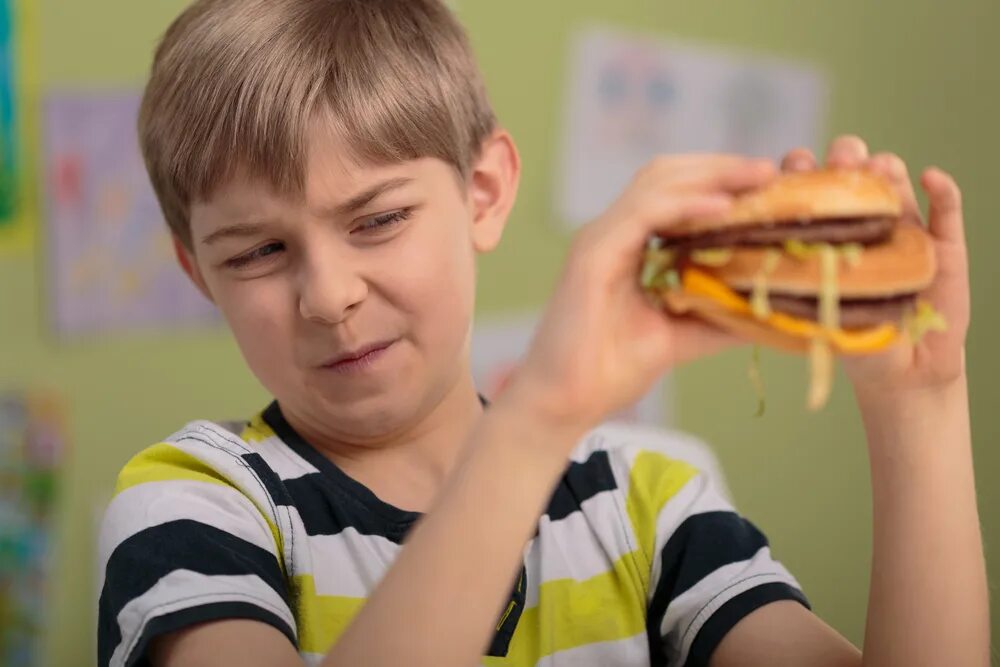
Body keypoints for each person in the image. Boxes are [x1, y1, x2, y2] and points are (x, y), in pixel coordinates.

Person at [97, 1, 988, 665]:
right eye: (257, 250)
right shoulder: (193, 505)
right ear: (195, 271)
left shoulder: (647, 502)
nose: (327, 296)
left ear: (482, 192)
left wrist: (920, 403)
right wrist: (539, 417)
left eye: (376, 220)